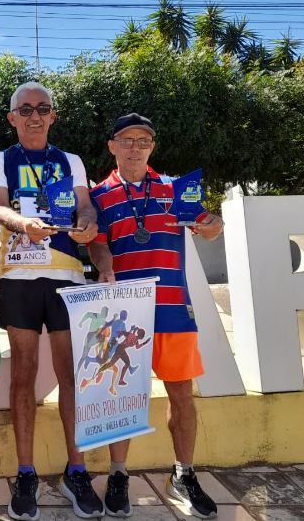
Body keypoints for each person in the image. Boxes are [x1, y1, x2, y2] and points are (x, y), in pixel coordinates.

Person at [88, 113, 223, 519]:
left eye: (143, 140)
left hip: (172, 310)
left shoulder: (174, 188)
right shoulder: (97, 195)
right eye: (126, 140)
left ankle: (183, 474)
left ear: (152, 146)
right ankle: (118, 475)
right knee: (125, 395)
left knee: (181, 393)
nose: (135, 147)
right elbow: (96, 245)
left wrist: (214, 224)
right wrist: (104, 262)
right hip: (125, 313)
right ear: (112, 147)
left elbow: (205, 223)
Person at [0, 82, 103, 520]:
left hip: (67, 276)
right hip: (20, 277)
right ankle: (26, 472)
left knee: (72, 375)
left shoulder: (70, 161)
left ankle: (77, 470)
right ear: (13, 118)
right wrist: (22, 224)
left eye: (43, 109)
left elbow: (86, 207)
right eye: (25, 110)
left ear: (53, 116)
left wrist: (87, 224)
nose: (35, 116)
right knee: (24, 377)